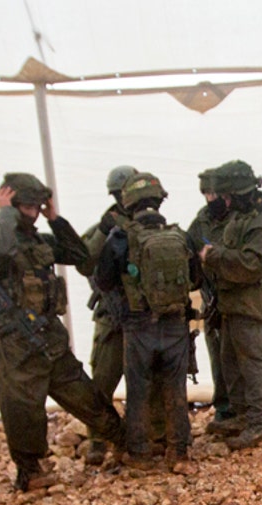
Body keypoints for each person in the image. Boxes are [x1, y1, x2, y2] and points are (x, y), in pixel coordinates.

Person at [0, 172, 123, 492]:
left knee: (86, 396)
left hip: (48, 336)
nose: (33, 211)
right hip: (16, 342)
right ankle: (31, 470)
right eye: (26, 206)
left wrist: (54, 219)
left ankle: (123, 441)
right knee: (22, 407)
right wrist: (4, 212)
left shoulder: (40, 241)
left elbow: (81, 256)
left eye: (37, 206)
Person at [92, 172, 201, 470]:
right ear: (159, 200)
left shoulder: (119, 237)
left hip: (138, 325)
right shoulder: (180, 235)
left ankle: (140, 454)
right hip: (176, 324)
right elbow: (196, 279)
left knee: (138, 390)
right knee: (175, 388)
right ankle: (178, 453)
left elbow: (102, 280)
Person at [196, 160, 262, 450]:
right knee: (230, 360)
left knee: (254, 363)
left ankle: (257, 423)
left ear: (240, 193)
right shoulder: (245, 215)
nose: (223, 202)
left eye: (226, 196)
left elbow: (252, 265)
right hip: (233, 300)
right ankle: (242, 416)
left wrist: (214, 256)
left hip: (250, 302)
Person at [80, 164, 140, 466]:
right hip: (111, 315)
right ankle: (98, 438)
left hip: (141, 315)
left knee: (144, 381)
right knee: (102, 380)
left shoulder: (146, 221)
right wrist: (105, 229)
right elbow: (83, 260)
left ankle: (141, 436)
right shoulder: (105, 226)